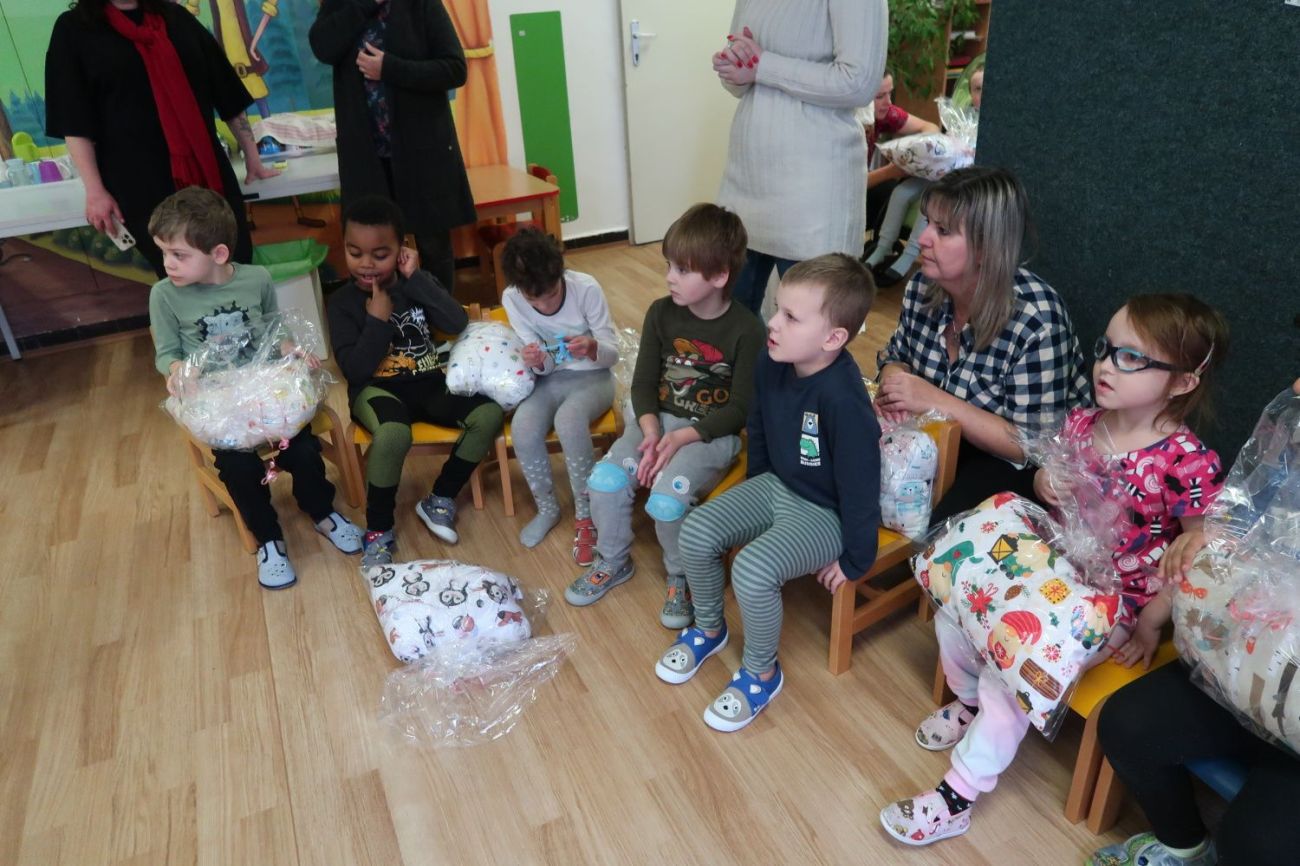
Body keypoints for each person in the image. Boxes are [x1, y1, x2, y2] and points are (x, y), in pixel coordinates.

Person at [880, 293, 1229, 847]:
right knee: (956, 609)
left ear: (1183, 382)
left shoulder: (1187, 462)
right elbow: (1049, 478)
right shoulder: (1085, 422)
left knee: (1008, 673)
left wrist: (1150, 624)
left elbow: (1195, 554)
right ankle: (968, 704)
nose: (1106, 365)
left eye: (1131, 358)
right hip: (1047, 566)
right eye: (1106, 349)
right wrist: (1044, 483)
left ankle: (957, 796)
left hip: (1112, 605)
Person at [654, 254, 880, 732]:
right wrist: (753, 493)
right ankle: (709, 628)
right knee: (696, 530)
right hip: (775, 486)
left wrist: (856, 559)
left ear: (833, 339)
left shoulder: (843, 400)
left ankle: (761, 673)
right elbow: (758, 429)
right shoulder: (771, 361)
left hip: (827, 514)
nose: (773, 323)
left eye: (791, 317)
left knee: (752, 569)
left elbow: (862, 484)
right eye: (777, 309)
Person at [1086, 374, 1300, 866]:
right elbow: (1244, 518)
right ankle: (1182, 847)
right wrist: (1211, 536)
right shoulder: (1289, 441)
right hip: (1248, 668)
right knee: (1126, 724)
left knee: (1255, 844)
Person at [147, 187, 362, 588]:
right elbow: (166, 354)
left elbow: (273, 332)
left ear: (219, 254)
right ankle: (268, 539)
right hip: (217, 401)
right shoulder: (164, 296)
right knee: (239, 467)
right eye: (163, 253)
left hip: (265, 390)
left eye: (178, 255)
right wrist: (178, 371)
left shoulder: (256, 279)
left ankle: (322, 512)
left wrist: (292, 349)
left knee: (302, 449)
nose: (167, 264)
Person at [565, 204, 765, 627]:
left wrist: (679, 439)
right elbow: (642, 385)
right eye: (669, 266)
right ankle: (613, 559)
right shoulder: (661, 312)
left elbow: (739, 410)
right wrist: (651, 430)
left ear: (719, 276)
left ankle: (683, 576)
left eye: (683, 269)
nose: (670, 277)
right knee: (603, 482)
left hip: (709, 435)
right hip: (656, 425)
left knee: (666, 502)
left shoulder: (748, 329)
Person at [875, 166, 1092, 525]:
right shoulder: (922, 288)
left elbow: (1032, 446)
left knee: (937, 532)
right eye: (927, 222)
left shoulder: (1037, 319)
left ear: (985, 247)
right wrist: (894, 383)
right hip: (936, 438)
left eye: (943, 230)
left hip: (1017, 468)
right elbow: (896, 356)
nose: (923, 238)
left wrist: (931, 398)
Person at [326, 196, 504, 566]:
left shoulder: (417, 284)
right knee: (394, 434)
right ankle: (378, 529)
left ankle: (439, 498)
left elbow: (457, 323)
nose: (366, 263)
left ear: (402, 250)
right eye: (355, 252)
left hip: (428, 383)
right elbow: (355, 371)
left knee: (488, 414)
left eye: (380, 254)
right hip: (376, 391)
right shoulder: (341, 303)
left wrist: (416, 277)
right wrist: (377, 321)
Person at [44, 0, 279, 278]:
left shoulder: (176, 18)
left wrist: (252, 156)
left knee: (234, 267)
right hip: (139, 187)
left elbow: (225, 90)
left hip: (209, 177)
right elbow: (74, 120)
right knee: (178, 277)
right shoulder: (75, 29)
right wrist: (95, 191)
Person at [713, 0, 889, 316]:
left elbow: (858, 83)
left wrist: (763, 66)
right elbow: (742, 78)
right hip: (748, 176)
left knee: (809, 322)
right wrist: (734, 69)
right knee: (729, 316)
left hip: (812, 190)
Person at [310, 0, 475, 295]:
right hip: (367, 157)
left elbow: (454, 69)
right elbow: (323, 47)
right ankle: (387, 319)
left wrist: (390, 68)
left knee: (433, 246)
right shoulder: (341, 4)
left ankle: (441, 318)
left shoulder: (420, 5)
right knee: (373, 249)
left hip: (421, 153)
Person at [499, 228, 619, 562]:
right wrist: (537, 361)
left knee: (569, 420)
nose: (543, 305)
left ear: (561, 273)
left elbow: (612, 354)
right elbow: (542, 368)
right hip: (551, 380)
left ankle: (586, 514)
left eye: (551, 294)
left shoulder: (586, 288)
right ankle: (548, 508)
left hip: (595, 377)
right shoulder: (512, 298)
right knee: (523, 426)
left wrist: (592, 347)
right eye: (533, 300)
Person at [866, 67, 984, 287]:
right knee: (900, 192)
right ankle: (882, 247)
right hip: (937, 171)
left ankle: (910, 254)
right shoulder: (961, 118)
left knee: (931, 199)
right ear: (970, 93)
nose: (982, 94)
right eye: (977, 89)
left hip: (958, 179)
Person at [861, 68, 940, 265]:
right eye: (880, 96)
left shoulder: (884, 113)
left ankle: (884, 247)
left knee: (899, 190)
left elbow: (930, 127)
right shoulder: (851, 123)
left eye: (890, 93)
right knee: (890, 189)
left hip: (860, 182)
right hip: (839, 193)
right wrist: (890, 171)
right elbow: (849, 184)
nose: (888, 102)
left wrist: (916, 149)